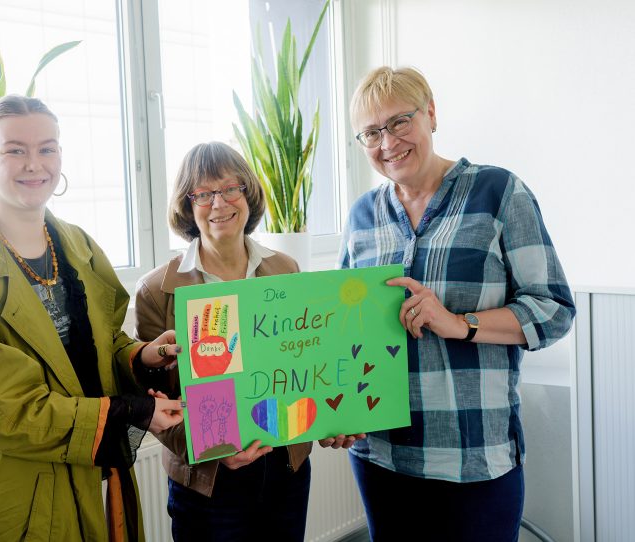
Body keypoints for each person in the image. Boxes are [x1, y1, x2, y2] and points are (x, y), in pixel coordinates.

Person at [0, 95, 184, 541]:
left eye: (48, 148)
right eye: (15, 150)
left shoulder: (78, 245)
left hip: (99, 474)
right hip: (18, 490)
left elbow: (105, 345)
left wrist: (142, 357)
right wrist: (132, 410)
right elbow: (3, 408)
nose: (34, 164)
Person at [339, 67, 575, 542]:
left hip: (474, 455)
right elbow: (348, 331)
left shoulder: (499, 192)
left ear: (430, 114)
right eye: (371, 132)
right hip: (381, 455)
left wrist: (458, 322)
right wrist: (340, 414)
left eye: (400, 122)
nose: (387, 143)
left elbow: (554, 309)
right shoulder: (363, 214)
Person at [133, 142, 313, 541]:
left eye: (231, 188)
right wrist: (209, 448)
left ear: (248, 194)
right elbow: (153, 400)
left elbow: (304, 364)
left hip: (284, 466)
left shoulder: (286, 270)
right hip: (208, 481)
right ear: (187, 205)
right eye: (203, 193)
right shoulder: (156, 290)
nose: (220, 203)